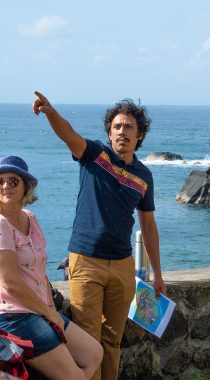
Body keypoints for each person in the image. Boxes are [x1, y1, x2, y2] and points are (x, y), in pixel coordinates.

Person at [32, 92, 167, 380]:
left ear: (139, 135)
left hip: (121, 266)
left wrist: (157, 274)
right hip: (86, 261)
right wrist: (50, 112)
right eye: (117, 126)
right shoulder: (95, 155)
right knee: (88, 342)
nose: (122, 132)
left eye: (129, 127)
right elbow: (68, 135)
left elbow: (149, 226)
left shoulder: (144, 176)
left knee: (112, 342)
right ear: (109, 132)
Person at [0, 155, 103, 379]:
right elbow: (9, 283)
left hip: (40, 309)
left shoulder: (30, 218)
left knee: (94, 353)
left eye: (13, 180)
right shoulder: (0, 224)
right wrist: (47, 313)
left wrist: (51, 310)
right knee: (74, 376)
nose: (6, 185)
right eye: (1, 181)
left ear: (26, 186)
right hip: (14, 315)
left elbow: (39, 270)